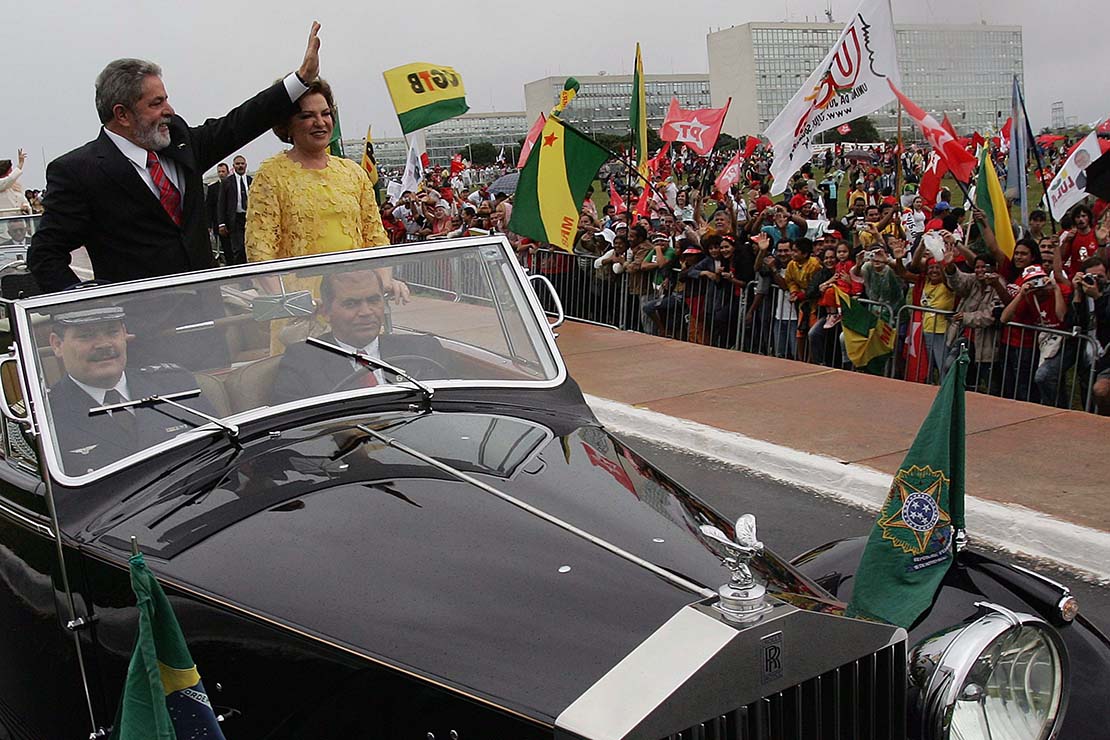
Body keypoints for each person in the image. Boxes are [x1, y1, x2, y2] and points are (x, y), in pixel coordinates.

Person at [29, 22, 323, 293]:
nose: (169, 109)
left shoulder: (180, 141)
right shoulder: (79, 172)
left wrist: (300, 80)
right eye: (157, 103)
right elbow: (45, 255)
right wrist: (90, 315)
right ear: (122, 114)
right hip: (139, 337)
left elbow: (240, 123)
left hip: (209, 324)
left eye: (166, 99)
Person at [46, 305, 217, 475]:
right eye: (86, 336)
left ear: (125, 334)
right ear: (57, 344)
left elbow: (219, 454)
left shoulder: (175, 385)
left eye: (112, 332)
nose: (103, 344)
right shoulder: (46, 415)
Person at [245, 77, 388, 264]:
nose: (320, 122)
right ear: (286, 124)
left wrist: (383, 281)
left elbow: (376, 238)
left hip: (356, 289)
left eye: (326, 114)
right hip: (299, 291)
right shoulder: (271, 175)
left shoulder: (354, 172)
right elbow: (260, 251)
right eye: (307, 116)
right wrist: (281, 294)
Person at [271, 270, 447, 405]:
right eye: (351, 304)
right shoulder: (302, 360)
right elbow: (295, 434)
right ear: (326, 312)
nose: (366, 312)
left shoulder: (424, 350)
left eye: (373, 301)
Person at [218, 155, 252, 264]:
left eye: (242, 164)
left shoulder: (252, 181)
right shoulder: (227, 182)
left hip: (250, 219)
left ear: (246, 165)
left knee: (250, 247)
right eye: (238, 164)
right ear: (233, 166)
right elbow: (221, 204)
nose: (240, 166)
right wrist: (221, 223)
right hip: (235, 219)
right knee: (239, 248)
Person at [206, 162, 229, 262]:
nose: (221, 174)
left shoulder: (233, 184)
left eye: (223, 171)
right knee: (224, 247)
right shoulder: (212, 188)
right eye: (219, 172)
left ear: (227, 172)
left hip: (234, 222)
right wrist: (208, 225)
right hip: (218, 222)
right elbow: (209, 207)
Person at [0, 150, 31, 216]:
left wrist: (25, 206)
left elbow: (23, 200)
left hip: (19, 221)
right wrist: (20, 165)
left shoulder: (16, 186)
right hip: (3, 222)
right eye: (10, 170)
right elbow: (10, 179)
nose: (12, 172)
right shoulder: (2, 184)